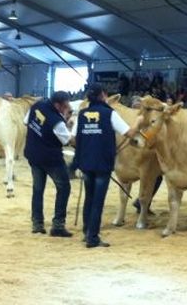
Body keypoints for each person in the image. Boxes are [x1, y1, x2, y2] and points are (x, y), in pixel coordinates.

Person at [72, 83, 137, 248]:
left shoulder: (82, 114)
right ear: (103, 95)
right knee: (97, 201)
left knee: (89, 198)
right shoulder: (109, 114)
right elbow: (129, 133)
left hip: (86, 163)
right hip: (102, 164)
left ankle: (87, 231)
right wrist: (140, 122)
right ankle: (93, 238)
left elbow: (73, 138)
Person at [23, 91, 73, 237]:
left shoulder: (37, 105)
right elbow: (67, 140)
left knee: (38, 189)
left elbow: (26, 122)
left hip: (33, 154)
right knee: (64, 187)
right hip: (51, 159)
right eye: (65, 105)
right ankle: (58, 225)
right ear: (58, 105)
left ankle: (37, 224)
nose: (67, 107)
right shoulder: (56, 121)